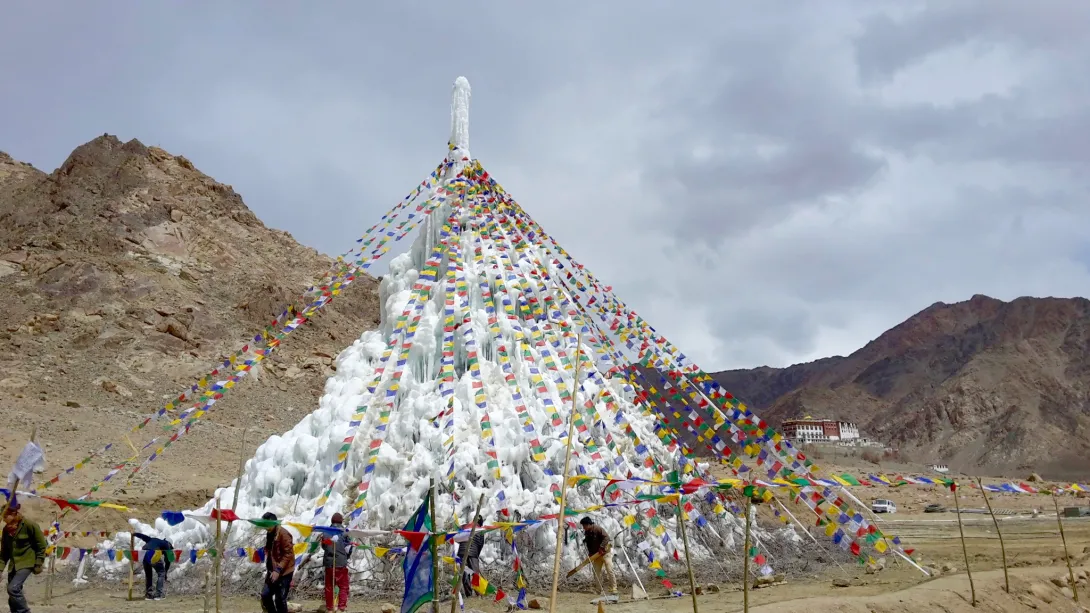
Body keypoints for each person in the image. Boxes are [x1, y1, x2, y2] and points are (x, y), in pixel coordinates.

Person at [1, 501, 46, 613]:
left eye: (6, 516)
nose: (4, 519)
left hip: (27, 562)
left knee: (13, 588)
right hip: (14, 565)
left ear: (14, 513)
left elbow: (41, 544)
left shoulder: (29, 525)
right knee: (12, 592)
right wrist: (0, 569)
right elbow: (4, 553)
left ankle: (25, 611)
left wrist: (39, 562)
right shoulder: (6, 530)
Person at [260, 512, 295, 613]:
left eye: (268, 524)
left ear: (274, 522)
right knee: (265, 595)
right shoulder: (270, 533)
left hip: (284, 572)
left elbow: (288, 553)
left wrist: (278, 569)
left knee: (279, 600)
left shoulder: (284, 534)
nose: (266, 527)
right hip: (272, 570)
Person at [320, 513, 352, 613]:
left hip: (329, 563)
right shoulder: (344, 532)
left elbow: (324, 547)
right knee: (343, 586)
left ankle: (330, 608)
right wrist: (346, 557)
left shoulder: (325, 532)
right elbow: (349, 547)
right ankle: (341, 608)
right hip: (341, 563)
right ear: (341, 521)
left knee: (329, 586)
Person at [580, 517, 617, 601]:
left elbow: (606, 538)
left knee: (609, 569)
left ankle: (614, 588)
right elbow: (589, 544)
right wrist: (590, 553)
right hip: (596, 555)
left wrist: (601, 547)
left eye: (584, 525)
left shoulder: (598, 529)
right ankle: (598, 589)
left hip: (605, 553)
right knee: (596, 572)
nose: (583, 527)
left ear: (589, 524)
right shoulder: (587, 532)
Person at [133, 532, 172, 601]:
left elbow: (143, 536)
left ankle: (149, 595)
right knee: (161, 573)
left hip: (144, 553)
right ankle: (158, 595)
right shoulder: (167, 545)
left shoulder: (153, 540)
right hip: (153, 553)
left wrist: (135, 534)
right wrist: (165, 572)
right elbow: (168, 561)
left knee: (148, 575)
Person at [457, 516, 485, 597]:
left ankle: (468, 594)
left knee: (465, 573)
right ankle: (478, 593)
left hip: (462, 552)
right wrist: (476, 555)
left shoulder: (465, 527)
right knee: (475, 573)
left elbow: (459, 538)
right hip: (473, 553)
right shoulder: (481, 530)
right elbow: (480, 544)